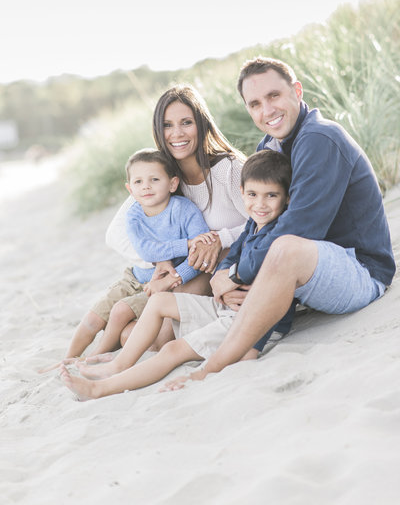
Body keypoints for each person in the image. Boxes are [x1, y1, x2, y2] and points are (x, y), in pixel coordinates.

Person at [160, 56, 396, 389]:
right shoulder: (271, 145)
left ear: (296, 91)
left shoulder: (319, 138)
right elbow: (253, 226)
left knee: (283, 248)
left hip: (360, 272)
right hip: (313, 270)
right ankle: (245, 348)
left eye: (274, 96)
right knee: (264, 251)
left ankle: (214, 365)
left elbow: (299, 229)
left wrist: (239, 273)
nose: (266, 110)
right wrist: (225, 271)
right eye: (255, 103)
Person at [60, 150, 296, 399]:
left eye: (271, 196)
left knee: (172, 349)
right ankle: (119, 365)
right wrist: (220, 277)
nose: (260, 204)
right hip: (224, 307)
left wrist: (241, 353)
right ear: (242, 193)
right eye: (252, 195)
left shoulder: (279, 235)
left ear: (287, 199)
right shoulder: (253, 223)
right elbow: (233, 255)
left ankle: (99, 389)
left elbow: (266, 298)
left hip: (250, 322)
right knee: (159, 301)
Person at [41, 148, 211, 371]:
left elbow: (200, 252)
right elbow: (147, 251)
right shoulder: (134, 214)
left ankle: (94, 356)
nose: (146, 186)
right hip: (133, 277)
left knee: (121, 311)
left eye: (154, 179)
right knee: (93, 319)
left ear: (172, 183)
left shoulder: (184, 210)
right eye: (139, 182)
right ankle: (67, 358)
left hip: (160, 286)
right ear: (131, 189)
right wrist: (184, 244)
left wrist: (182, 263)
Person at [105, 84, 249, 345]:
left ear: (201, 124)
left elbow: (266, 221)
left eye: (186, 122)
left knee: (157, 340)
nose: (177, 133)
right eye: (168, 125)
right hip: (188, 271)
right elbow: (114, 236)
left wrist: (221, 238)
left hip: (229, 268)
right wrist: (160, 260)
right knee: (131, 334)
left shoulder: (229, 170)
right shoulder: (161, 178)